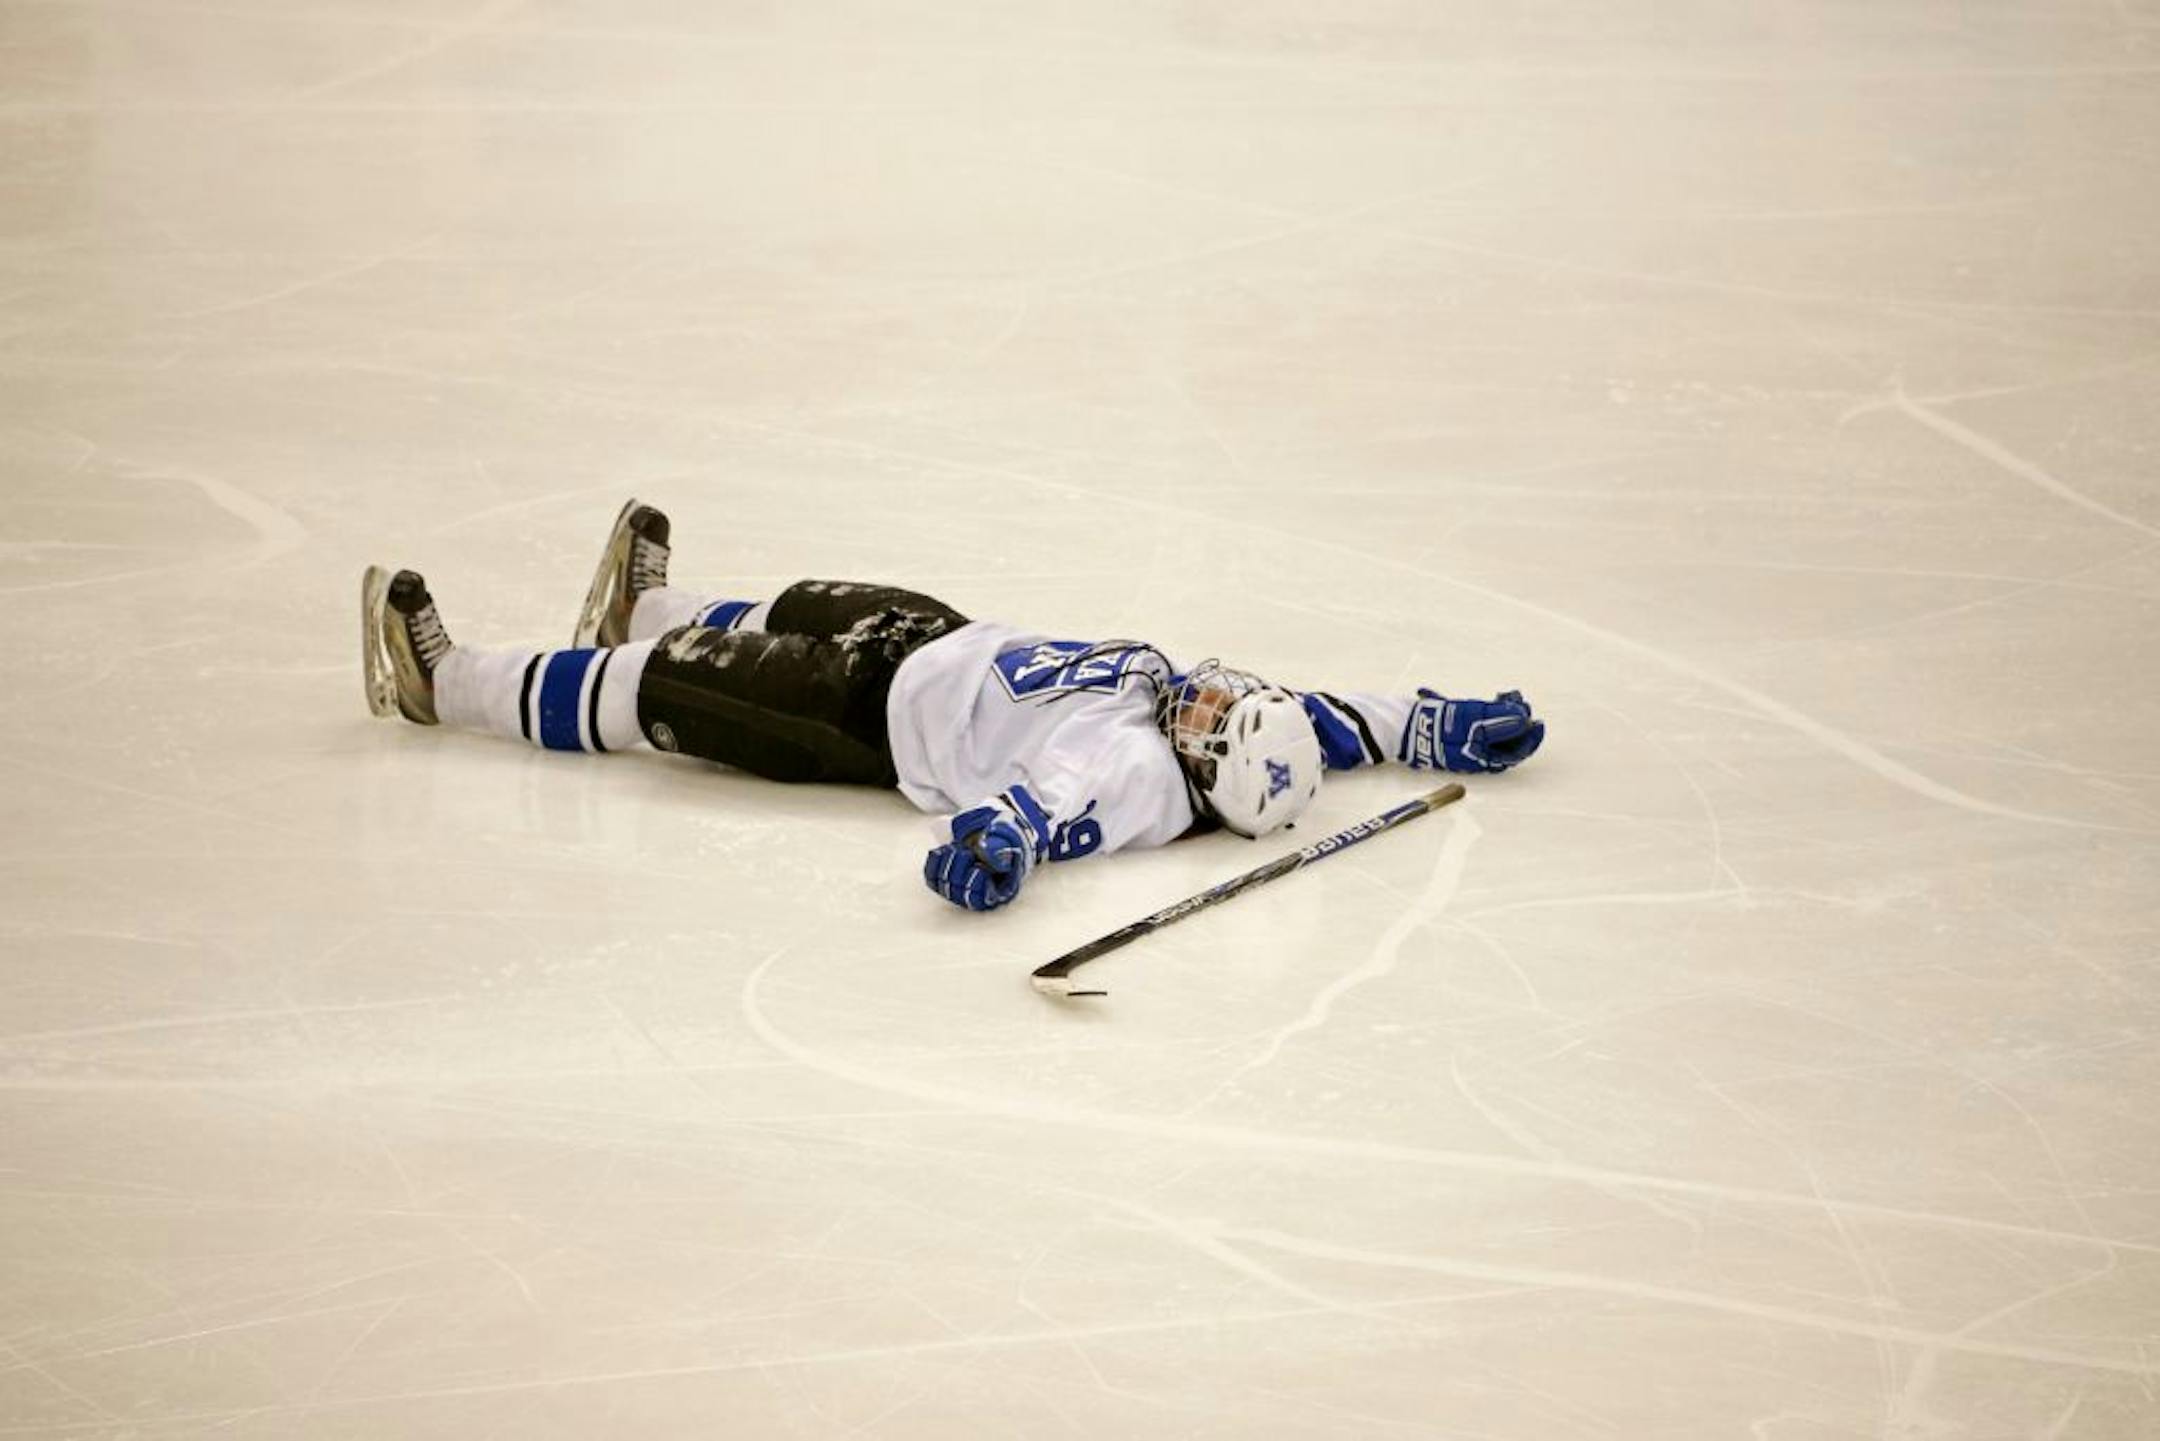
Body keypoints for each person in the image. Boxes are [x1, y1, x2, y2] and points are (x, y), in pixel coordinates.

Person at [361, 500, 1546, 912]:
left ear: (1196, 773)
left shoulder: (1135, 777)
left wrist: (1001, 844)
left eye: (1214, 717)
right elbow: (1333, 720)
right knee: (793, 597)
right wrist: (1429, 724)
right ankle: (653, 601)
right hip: (938, 636)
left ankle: (443, 682)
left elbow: (1054, 810)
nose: (1212, 692)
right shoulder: (1238, 730)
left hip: (861, 716)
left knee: (652, 699)